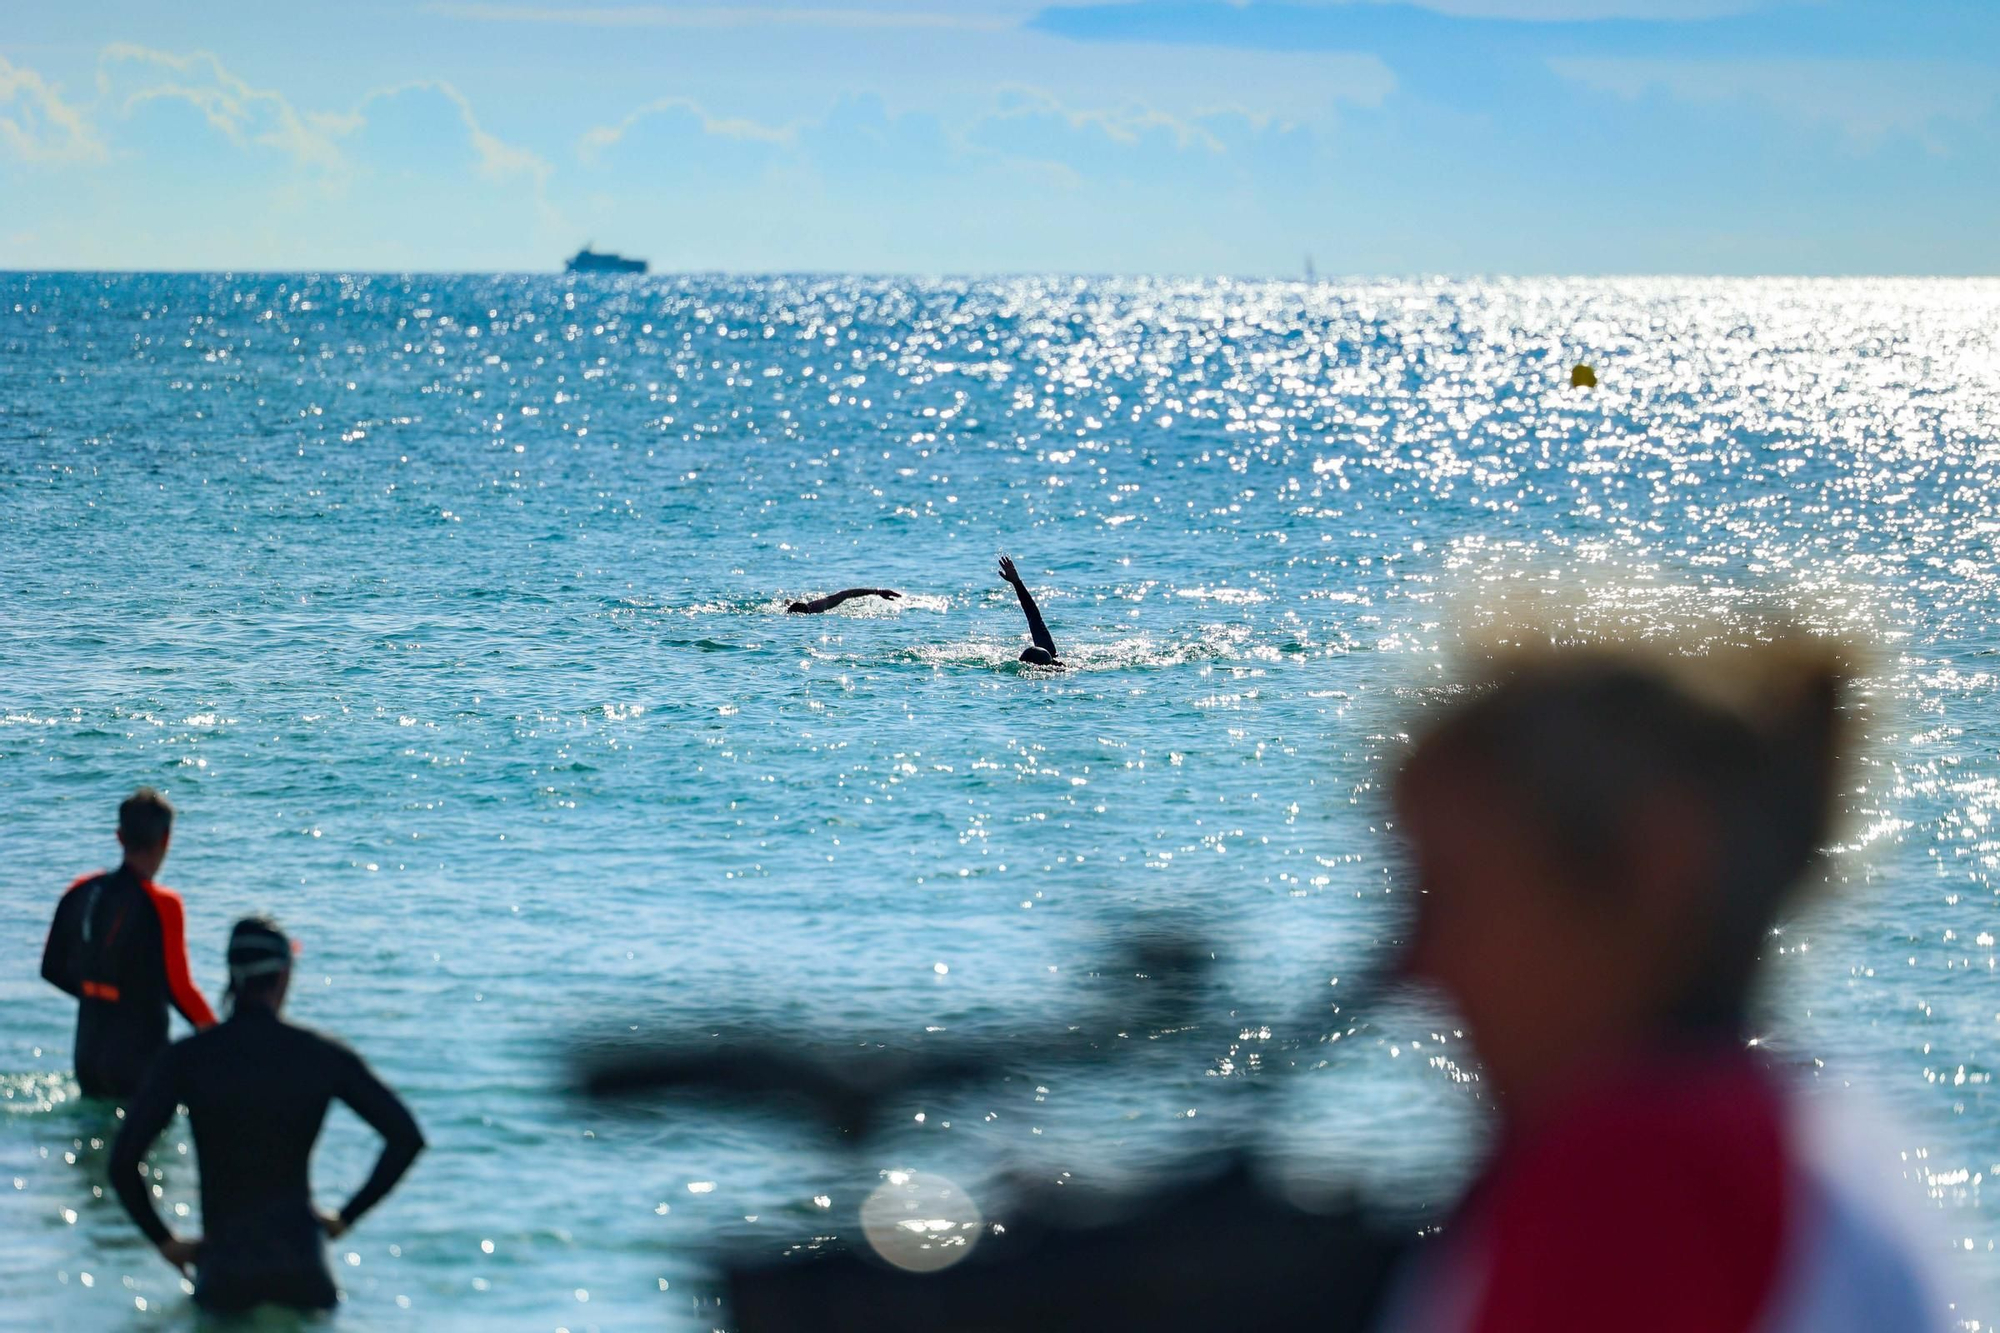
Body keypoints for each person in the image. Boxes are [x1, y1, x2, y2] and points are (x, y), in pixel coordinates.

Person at [1373, 628, 1944, 1333]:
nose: (1414, 965)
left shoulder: (1642, 1176)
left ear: (1653, 866)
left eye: (1448, 894)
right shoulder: (1827, 1143)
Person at [110, 916, 425, 1315]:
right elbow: (406, 1137)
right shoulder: (320, 1054)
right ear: (283, 975)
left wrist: (164, 1240)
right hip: (303, 1274)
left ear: (232, 975)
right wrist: (346, 1217)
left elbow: (123, 1163)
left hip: (225, 1276)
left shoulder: (187, 1059)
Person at [40, 788, 216, 1099]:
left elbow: (51, 969)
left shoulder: (79, 890)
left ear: (119, 837)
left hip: (87, 1053)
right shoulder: (163, 904)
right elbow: (180, 990)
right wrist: (222, 1039)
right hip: (138, 1059)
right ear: (166, 839)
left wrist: (99, 995)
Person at [998, 553, 1060, 666]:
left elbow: (1033, 616)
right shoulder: (1049, 651)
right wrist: (1016, 582)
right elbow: (1033, 616)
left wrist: (1016, 583)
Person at [788, 587, 902, 614]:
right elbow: (845, 594)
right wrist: (877, 592)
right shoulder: (816, 607)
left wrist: (878, 592)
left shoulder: (816, 606)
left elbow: (846, 594)